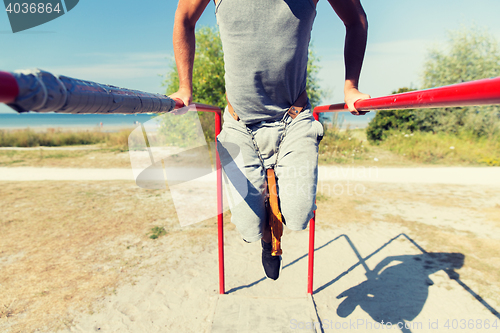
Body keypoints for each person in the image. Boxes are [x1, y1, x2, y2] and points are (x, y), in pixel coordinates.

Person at [170, 0, 370, 280]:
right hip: (239, 123)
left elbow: (356, 20)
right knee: (248, 228)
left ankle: (275, 201)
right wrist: (184, 87)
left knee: (299, 216)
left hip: (294, 117)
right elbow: (184, 19)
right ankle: (267, 238)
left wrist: (351, 87)